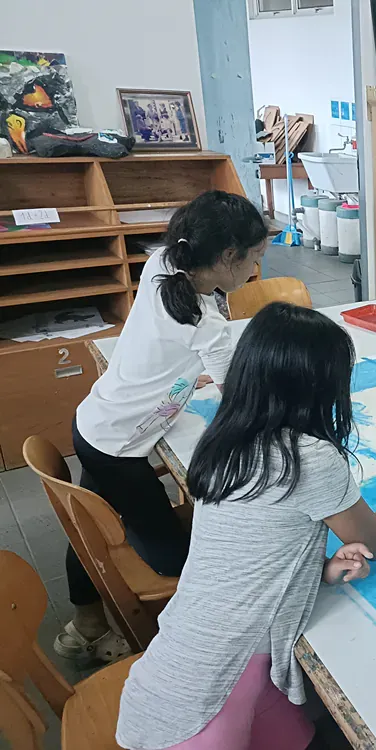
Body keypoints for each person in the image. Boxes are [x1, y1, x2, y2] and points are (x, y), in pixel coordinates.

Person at [115, 302, 376, 750]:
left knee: (297, 734)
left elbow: (248, 546)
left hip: (198, 649)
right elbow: (375, 541)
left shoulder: (224, 438)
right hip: (207, 697)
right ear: (320, 388)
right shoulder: (309, 457)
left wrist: (317, 569)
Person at [63, 191, 268, 664]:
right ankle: (188, 652)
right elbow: (241, 398)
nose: (254, 272)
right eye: (253, 260)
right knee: (177, 556)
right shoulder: (206, 322)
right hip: (120, 447)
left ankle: (84, 626)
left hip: (97, 423)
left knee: (88, 529)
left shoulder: (164, 262)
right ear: (227, 257)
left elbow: (167, 342)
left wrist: (180, 372)